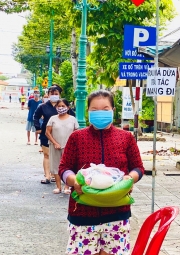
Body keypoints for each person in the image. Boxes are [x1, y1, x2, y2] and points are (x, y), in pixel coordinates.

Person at [58, 90, 144, 255]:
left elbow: (138, 168)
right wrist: (73, 180)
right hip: (82, 212)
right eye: (94, 110)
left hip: (117, 213)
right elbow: (64, 168)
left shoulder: (126, 138)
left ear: (113, 110)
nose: (100, 113)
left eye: (105, 109)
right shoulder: (77, 138)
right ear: (88, 111)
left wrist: (129, 178)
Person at [34, 84, 74, 184]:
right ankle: (47, 176)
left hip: (62, 134)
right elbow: (36, 116)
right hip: (46, 133)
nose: (54, 95)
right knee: (47, 155)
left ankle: (55, 175)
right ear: (48, 94)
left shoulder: (63, 106)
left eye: (56, 93)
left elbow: (72, 117)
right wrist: (38, 128)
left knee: (59, 156)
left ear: (59, 94)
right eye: (51, 93)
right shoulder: (43, 107)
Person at [45, 99, 78, 194]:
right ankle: (58, 187)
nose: (61, 108)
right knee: (56, 166)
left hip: (69, 147)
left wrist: (72, 145)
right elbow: (47, 132)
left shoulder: (72, 119)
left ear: (68, 107)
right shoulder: (53, 119)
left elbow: (76, 133)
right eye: (59, 106)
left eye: (63, 106)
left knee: (69, 166)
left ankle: (66, 187)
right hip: (55, 146)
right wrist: (55, 143)